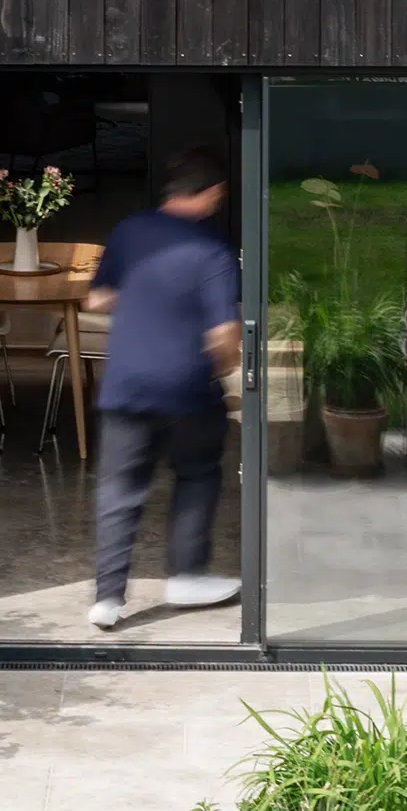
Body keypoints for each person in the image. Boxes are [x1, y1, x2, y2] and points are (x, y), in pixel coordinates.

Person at [84, 143, 242, 629]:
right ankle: (186, 576)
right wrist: (229, 370)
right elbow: (223, 334)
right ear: (213, 192)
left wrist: (143, 301)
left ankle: (107, 600)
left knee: (119, 491)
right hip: (186, 387)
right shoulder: (213, 250)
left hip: (126, 382)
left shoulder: (128, 230)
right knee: (197, 473)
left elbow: (96, 299)